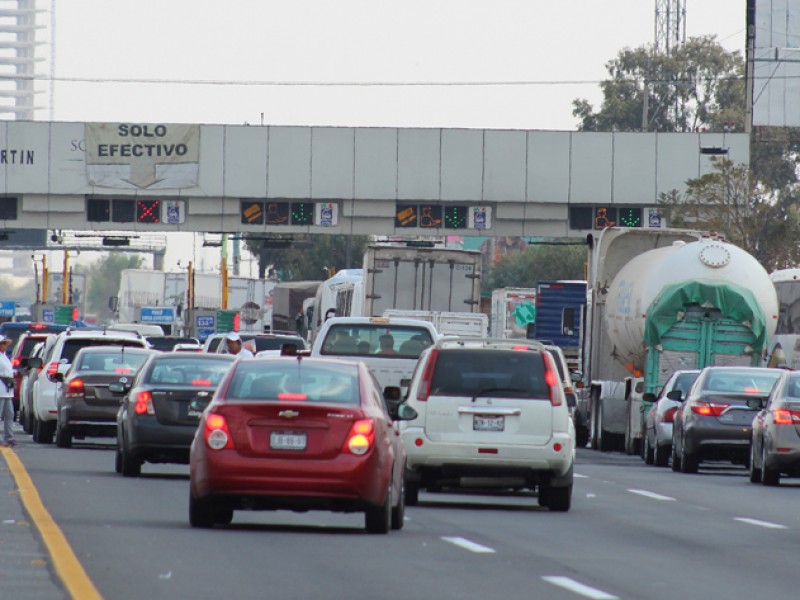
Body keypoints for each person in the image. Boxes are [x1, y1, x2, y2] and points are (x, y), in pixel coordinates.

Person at [0, 337, 16, 447]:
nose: (5, 346)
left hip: (7, 389)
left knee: (9, 414)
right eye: (3, 344)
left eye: (5, 344)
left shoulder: (4, 356)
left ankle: (9, 436)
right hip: (1, 387)